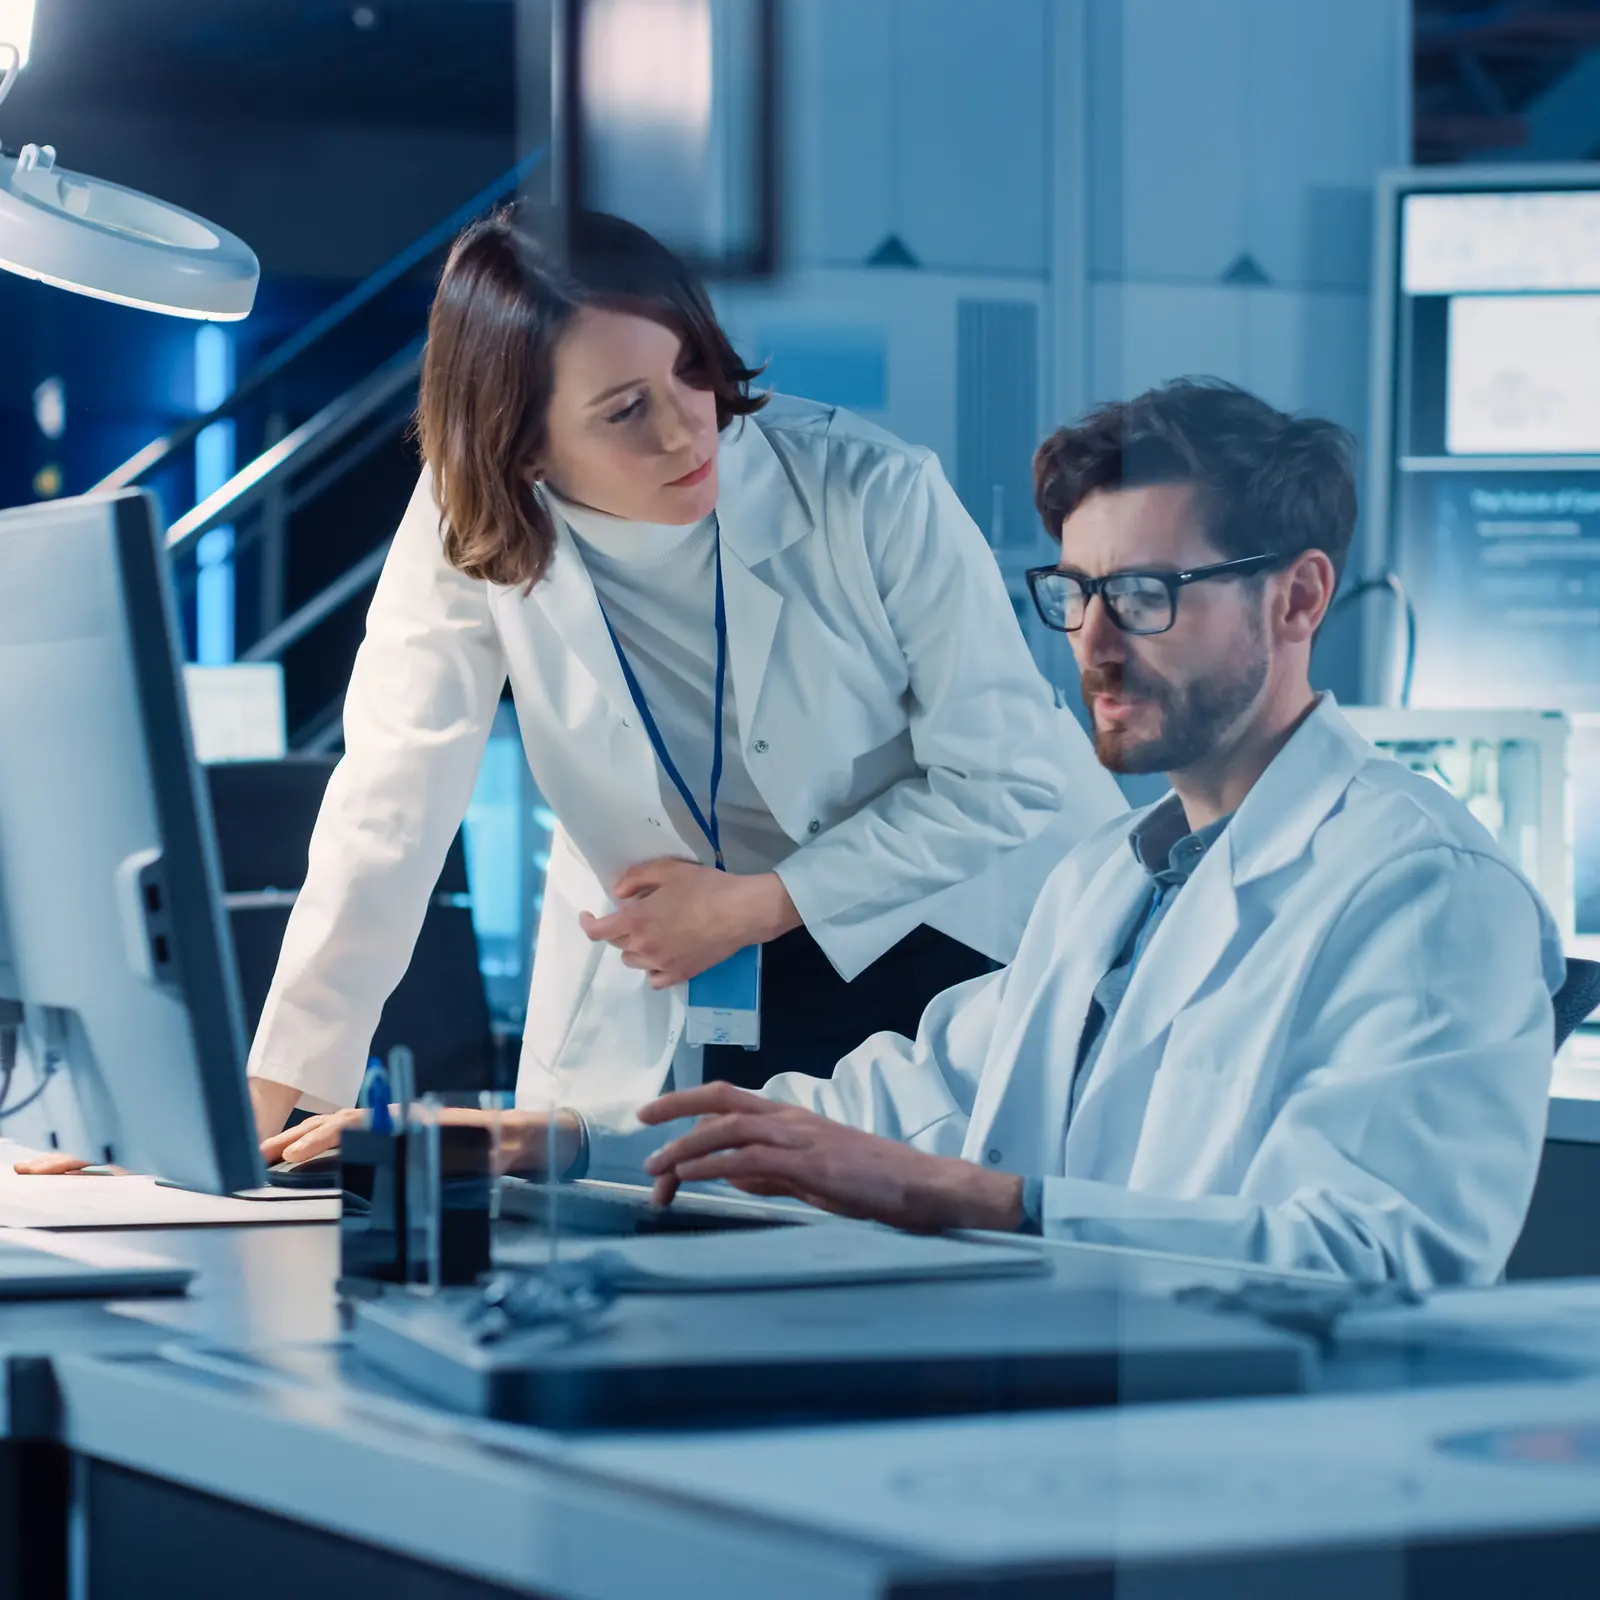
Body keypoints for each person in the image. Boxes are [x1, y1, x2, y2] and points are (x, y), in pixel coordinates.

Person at [625, 378, 1565, 1288]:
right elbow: (916, 1099)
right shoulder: (1105, 882)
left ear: (1299, 599)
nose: (1094, 643)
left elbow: (1380, 1257)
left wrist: (978, 1199)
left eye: (1147, 594)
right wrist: (564, 1143)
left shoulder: (1428, 887)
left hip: (1253, 1424)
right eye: (1076, 593)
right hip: (1077, 1393)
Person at [247, 208, 1122, 1158]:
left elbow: (1006, 780)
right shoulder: (472, 521)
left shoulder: (872, 490)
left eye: (692, 369)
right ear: (524, 448)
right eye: (624, 410)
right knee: (666, 1211)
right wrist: (268, 1092)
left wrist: (756, 902)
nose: (687, 431)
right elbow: (391, 801)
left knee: (886, 1217)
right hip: (697, 958)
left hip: (949, 926)